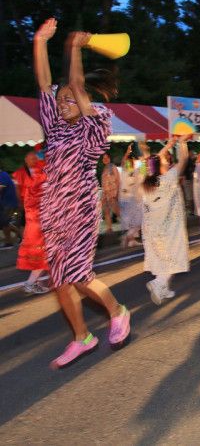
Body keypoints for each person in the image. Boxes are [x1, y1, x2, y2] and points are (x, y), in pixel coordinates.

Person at [34, 18, 130, 368]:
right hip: (52, 212)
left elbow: (73, 83)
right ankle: (82, 337)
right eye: (59, 102)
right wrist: (39, 41)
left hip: (80, 209)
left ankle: (118, 311)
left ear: (82, 99)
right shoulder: (55, 130)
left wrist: (74, 46)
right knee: (60, 282)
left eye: (68, 100)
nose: (62, 104)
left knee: (78, 274)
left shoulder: (94, 126)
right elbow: (46, 84)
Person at [142, 137, 191, 305]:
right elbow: (183, 158)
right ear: (162, 166)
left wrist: (169, 144)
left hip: (151, 229)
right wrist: (182, 142)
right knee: (173, 258)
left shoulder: (146, 181)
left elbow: (152, 162)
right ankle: (158, 283)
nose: (167, 160)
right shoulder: (167, 179)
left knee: (160, 258)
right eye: (165, 160)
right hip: (169, 228)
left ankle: (164, 288)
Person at [13, 150, 50, 294]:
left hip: (36, 218)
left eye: (35, 157)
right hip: (37, 220)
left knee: (43, 253)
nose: (34, 159)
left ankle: (35, 282)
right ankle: (31, 282)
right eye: (31, 157)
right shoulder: (30, 176)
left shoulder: (37, 173)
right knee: (43, 252)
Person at [118, 143, 143, 247]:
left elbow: (143, 167)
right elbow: (123, 162)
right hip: (126, 199)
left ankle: (131, 240)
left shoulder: (136, 171)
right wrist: (127, 153)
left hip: (133, 199)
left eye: (132, 161)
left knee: (135, 220)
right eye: (129, 161)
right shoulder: (125, 170)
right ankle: (129, 236)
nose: (131, 162)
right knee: (134, 220)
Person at [0, 163, 21, 249]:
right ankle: (22, 235)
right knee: (4, 223)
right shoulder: (3, 174)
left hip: (8, 203)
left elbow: (1, 187)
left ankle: (9, 242)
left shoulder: (2, 175)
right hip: (6, 203)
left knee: (4, 223)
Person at [100, 152, 120, 233]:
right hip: (105, 194)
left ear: (109, 158)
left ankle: (129, 223)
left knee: (117, 211)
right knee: (106, 211)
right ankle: (109, 228)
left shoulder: (112, 167)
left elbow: (118, 180)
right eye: (104, 158)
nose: (105, 160)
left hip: (112, 194)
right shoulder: (105, 169)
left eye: (106, 158)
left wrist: (117, 193)